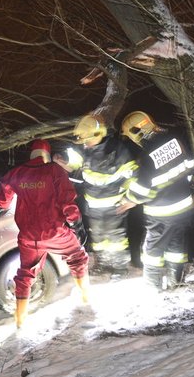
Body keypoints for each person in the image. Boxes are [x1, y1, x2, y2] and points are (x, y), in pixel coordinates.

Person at [0, 139, 91, 328]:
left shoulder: (15, 174)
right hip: (54, 232)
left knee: (25, 274)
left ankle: (19, 319)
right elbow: (67, 200)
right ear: (46, 155)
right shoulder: (54, 170)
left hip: (28, 236)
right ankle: (85, 297)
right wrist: (76, 222)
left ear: (31, 155)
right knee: (77, 257)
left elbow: (2, 202)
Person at [117, 111, 194, 292]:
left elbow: (143, 189)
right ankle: (176, 282)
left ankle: (153, 287)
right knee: (176, 245)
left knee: (152, 250)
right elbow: (191, 165)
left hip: (162, 213)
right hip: (184, 206)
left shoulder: (147, 157)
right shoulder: (176, 141)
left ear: (138, 133)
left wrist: (129, 199)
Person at [53, 114, 139, 277]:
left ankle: (119, 268)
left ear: (98, 135)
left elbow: (133, 175)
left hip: (115, 205)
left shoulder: (118, 151)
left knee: (116, 238)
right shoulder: (81, 148)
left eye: (87, 140)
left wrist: (130, 199)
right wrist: (61, 163)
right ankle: (102, 264)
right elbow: (73, 166)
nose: (85, 144)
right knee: (98, 237)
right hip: (93, 205)